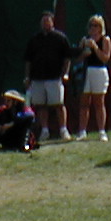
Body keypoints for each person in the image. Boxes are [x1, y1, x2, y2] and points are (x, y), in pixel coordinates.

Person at [24, 10, 74, 142]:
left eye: (48, 20)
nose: (45, 23)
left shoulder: (60, 38)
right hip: (38, 78)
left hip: (54, 77)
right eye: (43, 21)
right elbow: (28, 60)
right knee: (41, 105)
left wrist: (66, 73)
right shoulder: (34, 39)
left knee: (58, 104)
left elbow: (67, 57)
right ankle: (45, 130)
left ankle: (63, 130)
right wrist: (27, 77)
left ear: (52, 22)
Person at [73, 15, 111, 141]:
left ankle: (102, 131)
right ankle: (82, 131)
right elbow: (77, 59)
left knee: (99, 102)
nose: (93, 28)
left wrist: (95, 47)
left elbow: (105, 58)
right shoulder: (85, 40)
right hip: (86, 71)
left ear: (101, 27)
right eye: (91, 25)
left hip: (99, 71)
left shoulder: (105, 40)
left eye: (96, 25)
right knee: (84, 102)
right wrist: (83, 53)